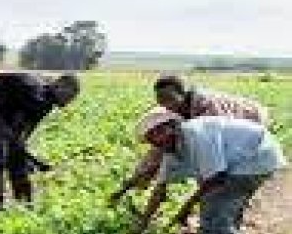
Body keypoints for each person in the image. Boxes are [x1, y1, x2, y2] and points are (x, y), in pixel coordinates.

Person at [135, 109, 285, 234]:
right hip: (246, 160)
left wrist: (187, 207)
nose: (158, 139)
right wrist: (143, 222)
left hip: (256, 156)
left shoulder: (195, 134)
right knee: (222, 212)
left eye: (160, 131)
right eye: (152, 137)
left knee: (213, 211)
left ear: (173, 126)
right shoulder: (171, 149)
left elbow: (216, 177)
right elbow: (160, 189)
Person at [110, 75, 269, 204]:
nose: (167, 105)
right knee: (209, 173)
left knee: (223, 178)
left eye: (170, 98)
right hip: (228, 132)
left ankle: (233, 204)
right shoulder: (172, 115)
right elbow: (158, 150)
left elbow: (215, 160)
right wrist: (130, 184)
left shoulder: (208, 109)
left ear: (183, 93)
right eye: (161, 101)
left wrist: (187, 206)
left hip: (252, 120)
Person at [0, 72, 80, 208]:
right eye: (70, 95)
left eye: (73, 97)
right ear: (59, 86)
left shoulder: (48, 100)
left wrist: (26, 156)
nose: (70, 100)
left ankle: (25, 205)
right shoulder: (36, 94)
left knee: (17, 158)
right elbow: (12, 134)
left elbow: (24, 131)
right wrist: (35, 161)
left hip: (9, 108)